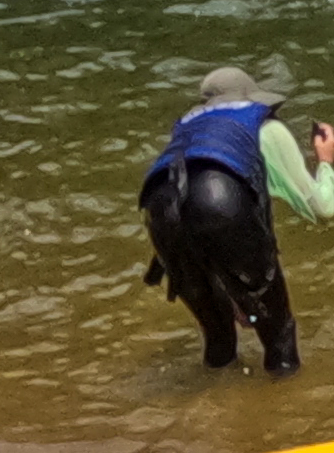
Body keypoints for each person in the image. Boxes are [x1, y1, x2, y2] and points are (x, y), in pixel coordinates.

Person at [136, 71, 324, 374]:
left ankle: (216, 395)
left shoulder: (188, 129)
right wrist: (325, 160)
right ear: (250, 96)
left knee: (218, 335)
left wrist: (234, 287)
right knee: (278, 331)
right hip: (220, 202)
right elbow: (321, 207)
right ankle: (286, 395)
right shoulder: (264, 126)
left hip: (160, 210)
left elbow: (188, 206)